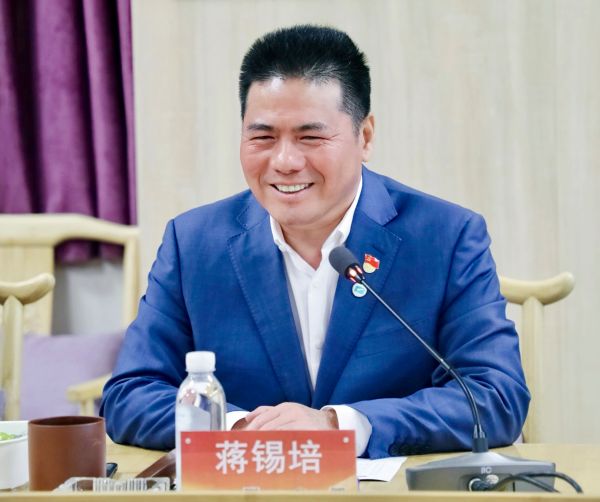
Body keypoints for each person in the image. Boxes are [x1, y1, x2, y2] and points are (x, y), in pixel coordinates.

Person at [100, 25, 529, 458]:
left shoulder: (445, 237)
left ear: (365, 137)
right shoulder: (194, 243)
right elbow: (130, 394)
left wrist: (338, 426)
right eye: (263, 137)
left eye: (311, 137)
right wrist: (239, 428)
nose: (285, 161)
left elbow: (495, 396)